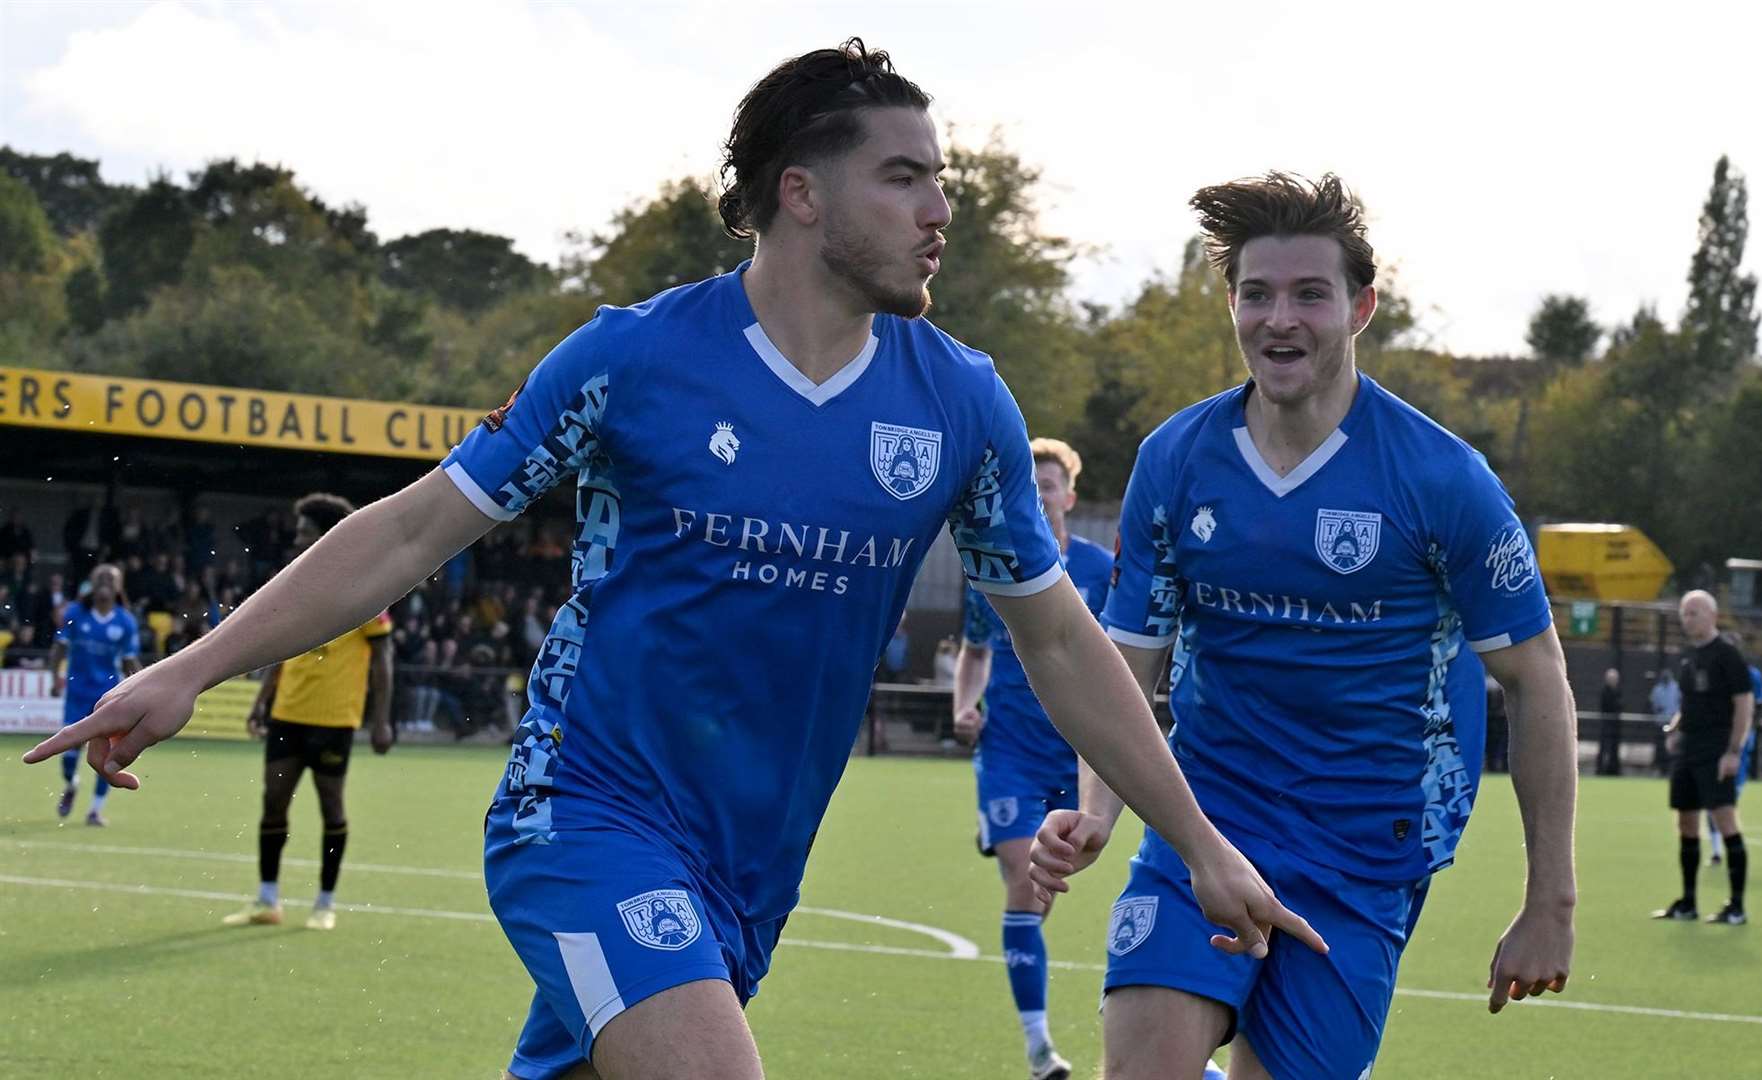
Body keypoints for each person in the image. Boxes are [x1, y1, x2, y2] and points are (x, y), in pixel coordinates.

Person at [28, 40, 1319, 1080]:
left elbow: (1054, 638)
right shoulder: (630, 361)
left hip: (754, 860)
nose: (940, 213)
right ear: (800, 192)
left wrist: (1198, 841)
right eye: (907, 178)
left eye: (945, 184)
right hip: (585, 816)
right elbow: (417, 528)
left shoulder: (959, 403)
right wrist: (189, 669)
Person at [1031, 172, 1577, 1080]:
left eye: (1309, 294)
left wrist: (1549, 902)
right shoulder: (1176, 459)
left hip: (1366, 846)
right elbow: (1124, 665)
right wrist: (1094, 811)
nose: (1278, 318)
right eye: (1256, 294)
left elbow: (1536, 677)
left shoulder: (1443, 480)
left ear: (1361, 307)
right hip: (1206, 818)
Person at [951, 437, 1115, 1080]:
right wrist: (965, 704)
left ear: (1069, 496)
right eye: (1031, 482)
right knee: (1026, 881)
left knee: (1043, 897)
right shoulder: (990, 562)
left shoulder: (1104, 571)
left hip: (1081, 757)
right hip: (1011, 750)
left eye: (1049, 483)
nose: (1040, 492)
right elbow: (974, 650)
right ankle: (1040, 1049)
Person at [220, 493, 395, 932]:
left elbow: (384, 658)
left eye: (303, 531)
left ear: (325, 535)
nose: (296, 539)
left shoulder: (365, 588)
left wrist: (380, 720)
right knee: (273, 802)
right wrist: (262, 701)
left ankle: (325, 902)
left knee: (331, 808)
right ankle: (267, 899)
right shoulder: (293, 582)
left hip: (335, 718)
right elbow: (281, 648)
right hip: (289, 713)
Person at [1652, 591, 1754, 924]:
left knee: (1724, 820)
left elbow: (1743, 704)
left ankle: (1736, 907)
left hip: (1716, 750)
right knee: (1685, 822)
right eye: (1684, 612)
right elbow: (1688, 702)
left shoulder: (1727, 655)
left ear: (1712, 615)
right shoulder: (1688, 657)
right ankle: (1688, 903)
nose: (1687, 618)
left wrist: (1734, 751)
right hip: (1689, 750)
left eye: (1694, 612)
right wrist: (1675, 729)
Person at [49, 564, 141, 826]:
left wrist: (142, 689)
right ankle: (72, 783)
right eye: (99, 577)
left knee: (106, 756)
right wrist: (54, 676)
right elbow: (59, 647)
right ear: (91, 583)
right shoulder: (76, 613)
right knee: (68, 755)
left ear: (118, 587)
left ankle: (95, 810)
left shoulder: (125, 621)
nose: (104, 581)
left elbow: (129, 662)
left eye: (110, 578)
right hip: (77, 694)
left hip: (107, 698)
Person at [1705, 634, 1762, 866]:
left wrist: (1745, 735)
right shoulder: (1711, 672)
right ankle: (1717, 851)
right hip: (1713, 745)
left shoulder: (1752, 675)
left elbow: (1758, 707)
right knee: (1714, 802)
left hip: (1739, 747)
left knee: (1727, 801)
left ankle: (1727, 850)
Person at [1650, 669, 1681, 773]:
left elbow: (1680, 703)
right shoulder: (1657, 689)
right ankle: (1661, 768)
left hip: (1673, 722)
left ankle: (1672, 768)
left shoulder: (1676, 687)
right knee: (1660, 747)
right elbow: (1654, 705)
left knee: (1674, 746)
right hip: (1661, 722)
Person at [1597, 667, 1623, 776]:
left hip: (1615, 725)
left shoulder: (1618, 691)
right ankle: (1600, 769)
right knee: (1604, 747)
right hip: (1607, 724)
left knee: (1614, 748)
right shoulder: (1605, 691)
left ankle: (1613, 770)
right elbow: (1607, 705)